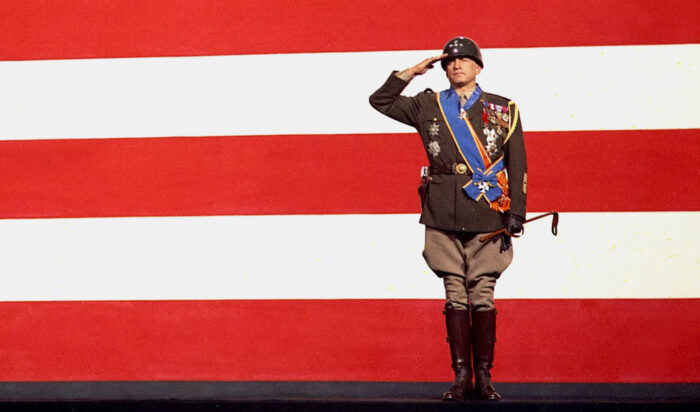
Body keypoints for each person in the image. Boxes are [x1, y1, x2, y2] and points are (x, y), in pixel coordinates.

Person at [369, 37, 527, 401]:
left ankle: (484, 377)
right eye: (449, 62)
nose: (456, 65)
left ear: (478, 67)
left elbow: (517, 162)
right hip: (442, 209)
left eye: (465, 60)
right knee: (454, 293)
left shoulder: (503, 109)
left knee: (482, 294)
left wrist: (516, 211)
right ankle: (461, 376)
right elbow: (381, 101)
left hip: (488, 209)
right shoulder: (428, 104)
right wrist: (411, 72)